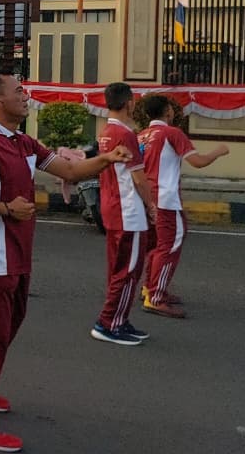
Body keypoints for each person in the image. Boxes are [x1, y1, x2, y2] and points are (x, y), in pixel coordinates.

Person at [0, 70, 131, 452]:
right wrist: (4, 208)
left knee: (6, 329)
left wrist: (109, 158)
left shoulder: (23, 142)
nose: (25, 95)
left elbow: (71, 170)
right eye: (18, 90)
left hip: (18, 255)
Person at [137, 94, 228, 318]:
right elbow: (197, 162)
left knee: (157, 244)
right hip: (166, 198)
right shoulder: (172, 133)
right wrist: (219, 151)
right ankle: (155, 296)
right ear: (168, 111)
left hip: (147, 197)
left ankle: (150, 287)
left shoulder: (141, 136)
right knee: (170, 245)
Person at [91, 82, 157, 346]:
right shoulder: (125, 134)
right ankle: (108, 323)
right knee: (128, 270)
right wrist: (151, 206)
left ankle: (119, 318)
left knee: (120, 269)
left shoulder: (106, 131)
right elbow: (139, 179)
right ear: (129, 102)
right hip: (128, 211)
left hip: (113, 207)